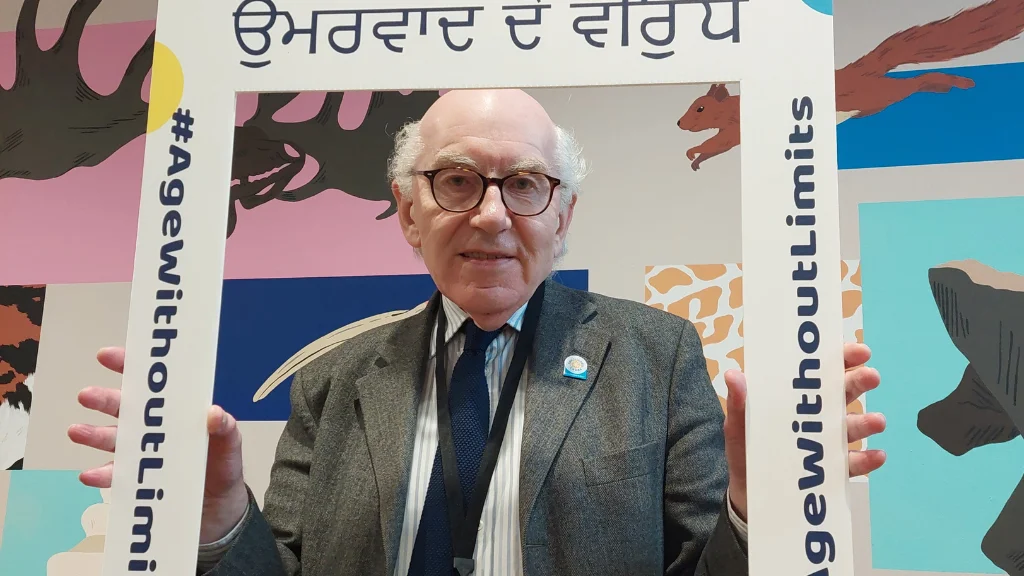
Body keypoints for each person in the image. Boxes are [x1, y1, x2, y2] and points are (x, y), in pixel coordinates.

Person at [68, 89, 886, 575]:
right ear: (407, 210)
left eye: (526, 184)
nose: (492, 214)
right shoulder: (335, 378)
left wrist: (760, 506)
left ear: (562, 217)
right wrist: (217, 520)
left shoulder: (656, 355)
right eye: (457, 180)